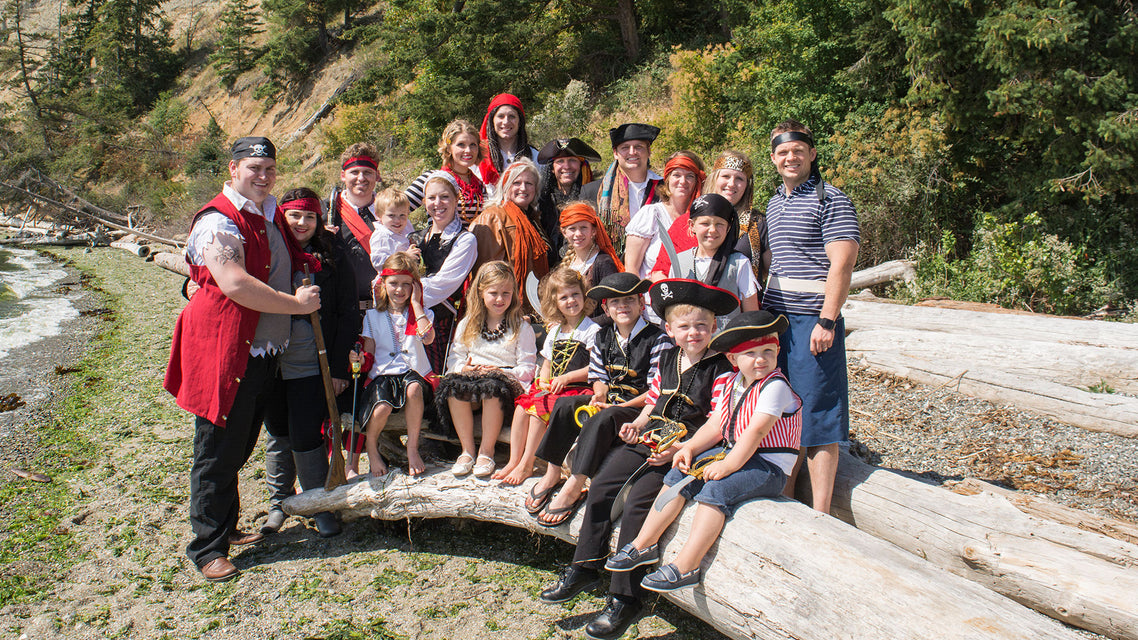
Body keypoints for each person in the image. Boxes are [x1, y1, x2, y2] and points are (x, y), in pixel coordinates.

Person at [537, 279, 736, 640]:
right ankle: (584, 564)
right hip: (651, 436)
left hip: (687, 448)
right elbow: (654, 398)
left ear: (714, 328)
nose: (694, 333)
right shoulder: (670, 357)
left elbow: (718, 420)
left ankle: (624, 597)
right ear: (671, 331)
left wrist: (681, 449)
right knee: (603, 489)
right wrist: (638, 425)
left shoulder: (722, 368)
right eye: (685, 327)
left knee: (639, 504)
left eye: (702, 326)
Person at [164, 137, 322, 582]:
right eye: (254, 167)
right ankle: (206, 547)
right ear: (232, 170)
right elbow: (234, 282)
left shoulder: (267, 211)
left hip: (261, 350)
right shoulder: (218, 221)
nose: (264, 175)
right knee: (215, 449)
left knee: (239, 444)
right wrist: (298, 305)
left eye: (270, 168)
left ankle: (227, 527)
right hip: (224, 348)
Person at [604, 310, 801, 592]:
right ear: (733, 359)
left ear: (778, 351)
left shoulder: (775, 386)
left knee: (716, 490)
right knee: (680, 471)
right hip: (736, 454)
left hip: (768, 466)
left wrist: (728, 466)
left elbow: (756, 432)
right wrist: (688, 448)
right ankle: (643, 543)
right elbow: (718, 424)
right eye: (751, 354)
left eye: (768, 352)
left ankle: (688, 565)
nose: (760, 360)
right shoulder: (735, 383)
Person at [761, 119, 859, 514]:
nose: (790, 158)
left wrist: (828, 319)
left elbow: (843, 263)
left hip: (812, 321)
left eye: (798, 151)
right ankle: (784, 497)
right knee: (782, 408)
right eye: (783, 152)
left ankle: (820, 512)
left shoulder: (830, 199)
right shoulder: (773, 203)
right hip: (776, 320)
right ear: (773, 157)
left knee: (818, 413)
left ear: (812, 154)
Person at [528, 272, 670, 527]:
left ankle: (575, 484)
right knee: (564, 405)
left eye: (629, 300)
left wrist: (618, 405)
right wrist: (600, 395)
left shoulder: (657, 338)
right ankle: (552, 473)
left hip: (637, 409)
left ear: (641, 303)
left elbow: (656, 391)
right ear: (606, 307)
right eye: (615, 302)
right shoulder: (603, 335)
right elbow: (598, 376)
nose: (622, 306)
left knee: (605, 416)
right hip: (610, 401)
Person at [260, 188, 357, 539]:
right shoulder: (268, 249)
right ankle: (279, 502)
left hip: (310, 362)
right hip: (269, 358)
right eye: (295, 215)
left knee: (304, 432)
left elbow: (347, 314)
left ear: (319, 220)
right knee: (277, 431)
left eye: (310, 216)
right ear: (281, 215)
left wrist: (338, 369)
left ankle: (318, 504)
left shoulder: (332, 254)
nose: (302, 223)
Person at [495, 268, 601, 485]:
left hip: (577, 389)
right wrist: (543, 379)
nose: (570, 301)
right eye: (564, 297)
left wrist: (568, 377)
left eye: (575, 295)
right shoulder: (555, 331)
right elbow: (547, 363)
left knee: (538, 410)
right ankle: (513, 460)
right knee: (523, 407)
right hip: (555, 386)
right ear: (555, 302)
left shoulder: (592, 330)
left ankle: (527, 464)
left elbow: (597, 367)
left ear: (584, 296)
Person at [435, 261, 537, 477]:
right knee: (453, 386)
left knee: (492, 386)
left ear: (514, 295)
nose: (500, 299)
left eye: (506, 293)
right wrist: (465, 367)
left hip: (504, 388)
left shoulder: (521, 327)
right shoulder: (468, 324)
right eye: (493, 293)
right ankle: (467, 450)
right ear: (481, 292)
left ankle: (486, 451)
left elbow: (527, 369)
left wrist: (501, 372)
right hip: (472, 384)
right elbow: (454, 358)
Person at [348, 253, 435, 478]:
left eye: (406, 284)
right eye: (394, 283)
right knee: (382, 408)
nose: (399, 290)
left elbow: (428, 338)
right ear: (383, 285)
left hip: (414, 372)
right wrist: (359, 360)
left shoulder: (422, 314)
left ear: (415, 287)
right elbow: (369, 352)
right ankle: (371, 446)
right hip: (383, 375)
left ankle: (412, 448)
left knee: (414, 389)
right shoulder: (372, 316)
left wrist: (416, 304)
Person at [650, 193, 760, 328]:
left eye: (720, 224)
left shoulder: (739, 263)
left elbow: (752, 314)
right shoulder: (680, 261)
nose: (712, 230)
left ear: (728, 227)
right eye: (705, 223)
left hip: (727, 344)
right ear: (691, 225)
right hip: (689, 342)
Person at [469, 158, 551, 314]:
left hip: (531, 307)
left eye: (529, 183)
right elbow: (486, 275)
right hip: (504, 309)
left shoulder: (533, 220)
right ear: (506, 187)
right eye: (516, 183)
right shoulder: (492, 217)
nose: (523, 188)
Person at [417, 171, 478, 377]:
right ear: (424, 201)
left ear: (456, 199)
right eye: (432, 198)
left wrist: (403, 292)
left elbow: (443, 285)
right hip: (408, 318)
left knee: (436, 380)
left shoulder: (465, 240)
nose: (438, 203)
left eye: (444, 197)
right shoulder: (416, 237)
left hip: (441, 324)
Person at [580, 123, 663, 254]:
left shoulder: (665, 188)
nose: (632, 152)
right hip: (609, 266)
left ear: (649, 151)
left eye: (639, 147)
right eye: (625, 147)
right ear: (615, 153)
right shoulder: (592, 191)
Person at [623, 151, 705, 279]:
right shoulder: (651, 215)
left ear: (697, 181)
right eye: (676, 175)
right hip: (651, 295)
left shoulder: (703, 220)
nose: (683, 181)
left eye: (689, 176)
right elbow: (631, 269)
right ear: (667, 179)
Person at [328, 142, 384, 309]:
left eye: (368, 172)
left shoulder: (392, 212)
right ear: (343, 175)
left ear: (377, 175)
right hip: (339, 311)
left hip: (382, 309)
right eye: (354, 172)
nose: (361, 178)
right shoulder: (325, 213)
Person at [405, 119, 486, 225]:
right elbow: (394, 210)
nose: (468, 150)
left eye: (473, 145)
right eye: (461, 144)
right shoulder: (431, 179)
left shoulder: (479, 185)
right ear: (448, 148)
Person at [706, 150, 768, 284]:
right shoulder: (695, 218)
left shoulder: (759, 223)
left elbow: (770, 272)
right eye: (726, 176)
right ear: (715, 179)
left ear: (747, 185)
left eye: (739, 178)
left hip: (747, 302)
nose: (732, 183)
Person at [536, 137, 602, 256]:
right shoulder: (542, 199)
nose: (566, 166)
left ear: (581, 165)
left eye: (572, 160)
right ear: (552, 168)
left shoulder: (595, 196)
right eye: (560, 161)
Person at [556, 202, 623, 311]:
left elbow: (613, 310)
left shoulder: (603, 262)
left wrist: (586, 324)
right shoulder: (568, 261)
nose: (578, 233)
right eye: (572, 228)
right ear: (564, 232)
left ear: (593, 231)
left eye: (583, 227)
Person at [476, 93, 540, 191]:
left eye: (512, 116)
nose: (506, 122)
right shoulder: (478, 157)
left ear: (520, 121)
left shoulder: (535, 157)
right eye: (501, 116)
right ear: (492, 121)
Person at [368, 187, 419, 270]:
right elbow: (378, 262)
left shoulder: (406, 226)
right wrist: (405, 257)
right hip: (391, 279)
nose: (398, 220)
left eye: (402, 215)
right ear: (378, 215)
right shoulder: (381, 235)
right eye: (391, 216)